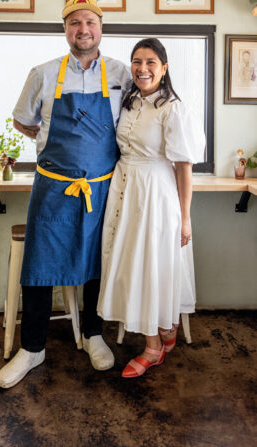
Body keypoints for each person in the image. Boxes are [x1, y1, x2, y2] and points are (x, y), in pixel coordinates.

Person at [0, 0, 131, 389]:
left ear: (101, 28)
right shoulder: (43, 73)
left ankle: (92, 335)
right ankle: (32, 348)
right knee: (37, 268)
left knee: (95, 262)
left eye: (90, 21)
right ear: (65, 29)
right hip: (53, 186)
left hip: (101, 187)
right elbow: (24, 121)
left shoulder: (122, 73)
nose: (83, 29)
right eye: (75, 22)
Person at [97, 38, 205, 378]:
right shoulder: (129, 102)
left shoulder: (173, 108)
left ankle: (153, 348)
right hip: (124, 188)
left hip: (155, 193)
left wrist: (185, 219)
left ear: (164, 67)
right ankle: (165, 330)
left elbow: (183, 166)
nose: (142, 68)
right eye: (137, 62)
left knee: (150, 265)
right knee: (132, 263)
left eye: (151, 62)